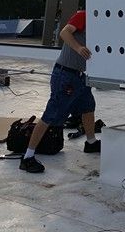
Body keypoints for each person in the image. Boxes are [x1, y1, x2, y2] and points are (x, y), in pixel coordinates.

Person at [20, 10, 98, 173]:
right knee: (51, 114)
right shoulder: (84, 15)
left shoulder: (101, 21)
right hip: (66, 75)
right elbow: (64, 32)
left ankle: (91, 142)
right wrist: (79, 48)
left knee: (88, 107)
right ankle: (27, 157)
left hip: (82, 76)